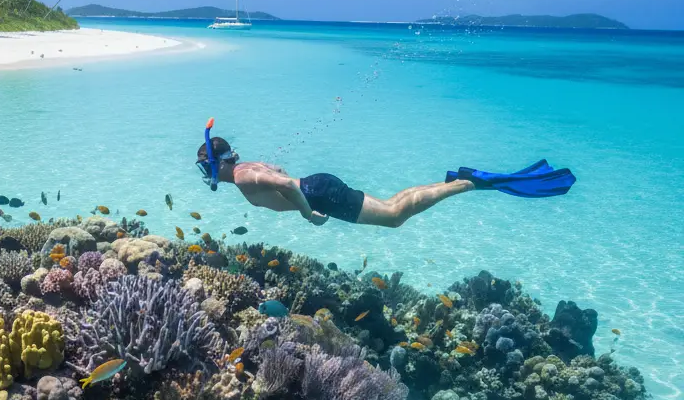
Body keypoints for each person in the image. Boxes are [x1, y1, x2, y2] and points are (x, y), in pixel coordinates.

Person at [196, 120, 575, 229]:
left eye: (203, 168)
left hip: (319, 194)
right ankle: (456, 180)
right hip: (318, 182)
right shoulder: (249, 165)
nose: (203, 175)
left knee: (394, 217)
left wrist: (306, 212)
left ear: (216, 165)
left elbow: (281, 182)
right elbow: (278, 171)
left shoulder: (243, 177)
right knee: (394, 205)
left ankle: (467, 182)